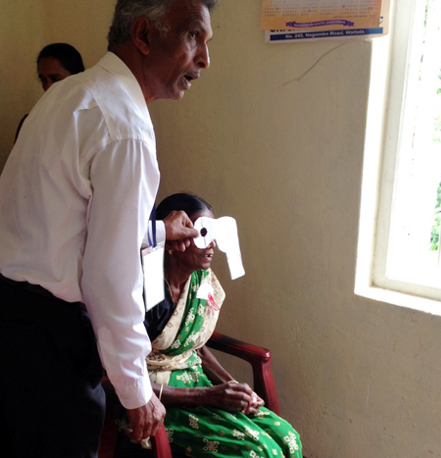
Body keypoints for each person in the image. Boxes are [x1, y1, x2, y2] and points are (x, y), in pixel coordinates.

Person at [0, 0, 220, 458]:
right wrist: (137, 391)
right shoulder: (124, 128)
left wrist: (152, 231)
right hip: (45, 334)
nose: (205, 60)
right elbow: (109, 277)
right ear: (144, 34)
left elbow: (64, 220)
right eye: (194, 37)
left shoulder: (72, 92)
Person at [116, 193, 303, 458]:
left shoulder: (201, 281)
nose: (212, 244)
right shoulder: (144, 287)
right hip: (153, 397)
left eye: (214, 233)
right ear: (172, 239)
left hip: (198, 383)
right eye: (202, 232)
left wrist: (234, 388)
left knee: (288, 438)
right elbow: (122, 373)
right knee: (257, 451)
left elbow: (196, 345)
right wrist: (209, 395)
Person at [14, 43, 85, 141]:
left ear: (77, 77)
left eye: (55, 79)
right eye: (43, 80)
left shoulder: (91, 122)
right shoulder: (30, 122)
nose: (48, 87)